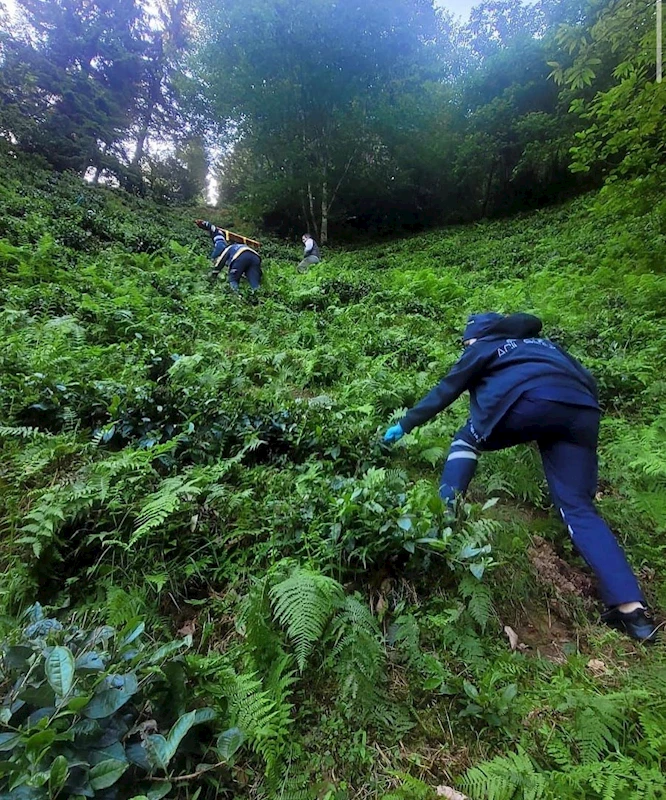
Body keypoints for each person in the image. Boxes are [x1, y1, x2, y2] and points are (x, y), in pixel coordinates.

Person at [383, 312, 658, 643]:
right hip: (581, 410)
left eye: (465, 343)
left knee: (465, 438)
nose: (464, 348)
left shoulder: (484, 346)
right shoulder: (545, 346)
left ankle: (445, 516)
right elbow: (587, 378)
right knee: (578, 508)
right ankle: (633, 612)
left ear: (476, 338)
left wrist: (406, 424)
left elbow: (447, 389)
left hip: (526, 402)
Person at [195, 220, 262, 292]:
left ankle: (236, 298)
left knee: (233, 280)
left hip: (241, 255)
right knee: (254, 283)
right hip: (255, 256)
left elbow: (221, 261)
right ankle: (258, 297)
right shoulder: (239, 246)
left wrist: (214, 272)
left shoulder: (229, 248)